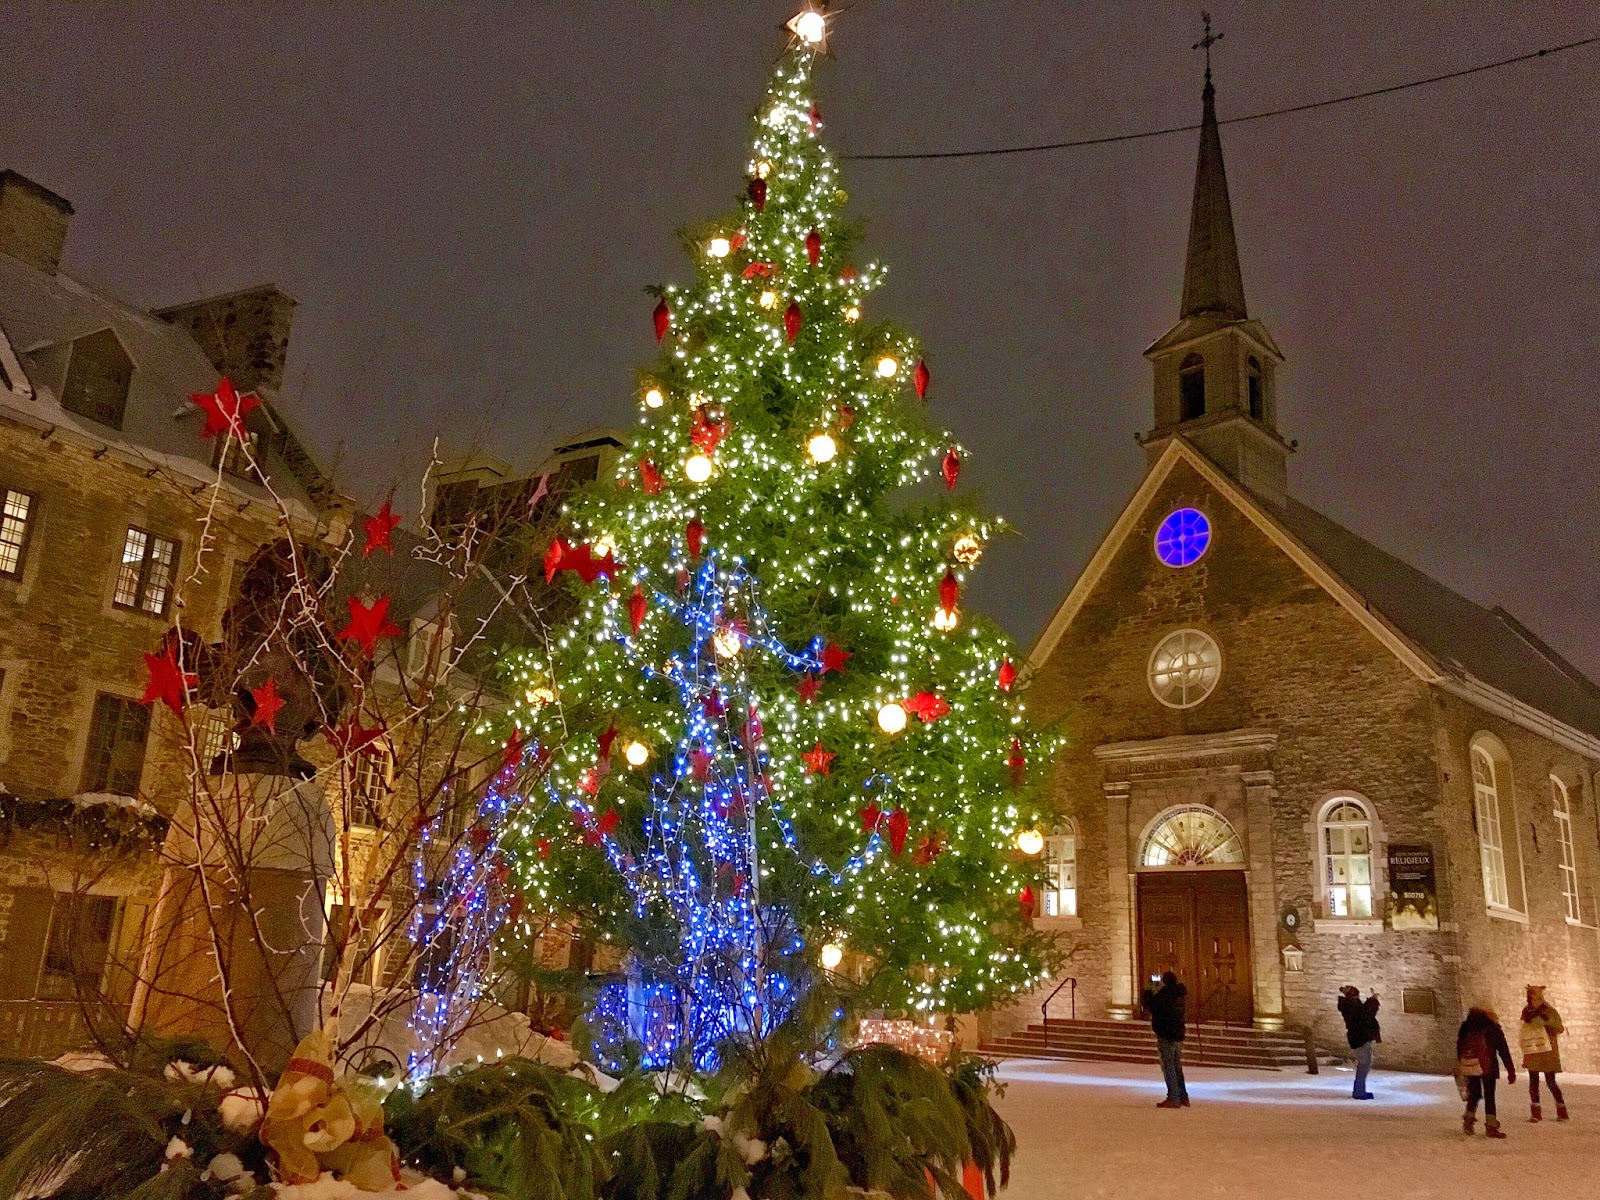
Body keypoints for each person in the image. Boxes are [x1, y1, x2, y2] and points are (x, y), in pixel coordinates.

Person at [1457, 1007, 1515, 1138]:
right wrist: (1510, 1070)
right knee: (1489, 1096)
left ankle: (1468, 1121)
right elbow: (1503, 1050)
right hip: (1487, 1066)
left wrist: (1461, 1064)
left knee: (1474, 1094)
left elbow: (1459, 1046)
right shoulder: (1493, 1028)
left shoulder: (1466, 1026)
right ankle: (1491, 1126)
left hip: (1469, 1065)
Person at [1520, 984, 1568, 1122]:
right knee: (1533, 1080)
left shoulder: (1549, 1011)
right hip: (1533, 1050)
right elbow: (1524, 1028)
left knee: (1550, 1081)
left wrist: (1545, 1023)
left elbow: (1559, 1028)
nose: (1531, 999)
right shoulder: (1526, 1012)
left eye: (1533, 996)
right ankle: (1536, 1113)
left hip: (1547, 1051)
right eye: (1529, 996)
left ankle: (1562, 1110)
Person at [1142, 971, 1189, 1108]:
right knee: (1176, 1066)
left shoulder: (1164, 996)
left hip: (1166, 1034)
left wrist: (1148, 991)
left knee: (1169, 1067)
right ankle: (1183, 1096)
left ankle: (1173, 1097)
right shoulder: (1180, 995)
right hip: (1178, 1034)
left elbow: (1151, 1007)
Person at [1336, 985, 1381, 1099]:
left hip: (1361, 1036)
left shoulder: (1351, 1005)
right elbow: (1365, 1015)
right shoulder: (1350, 1006)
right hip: (1360, 1037)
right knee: (1364, 1063)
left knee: (1365, 1063)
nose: (1357, 997)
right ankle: (1359, 1091)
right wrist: (1373, 1001)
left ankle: (1360, 1090)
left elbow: (1364, 1012)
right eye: (1356, 995)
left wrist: (1372, 1000)